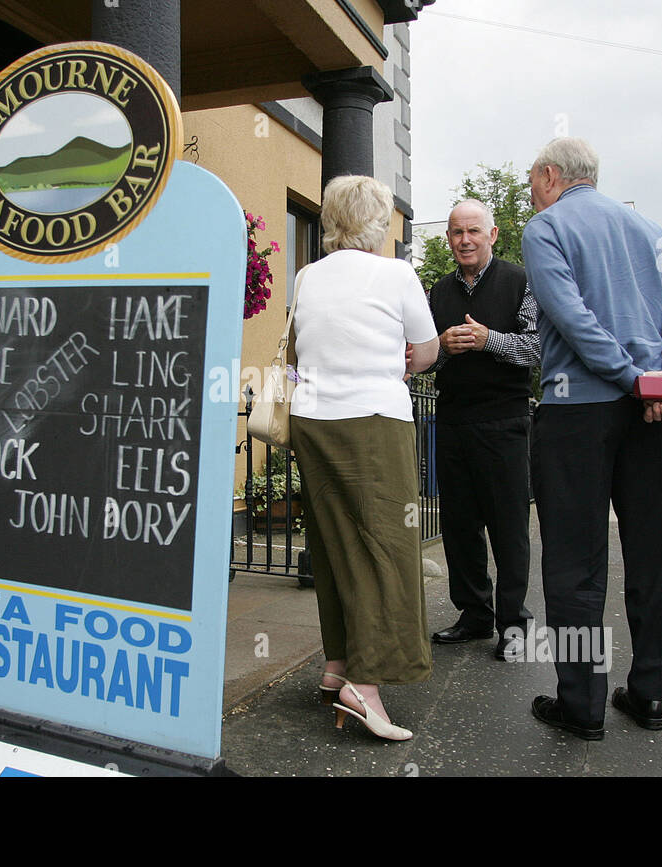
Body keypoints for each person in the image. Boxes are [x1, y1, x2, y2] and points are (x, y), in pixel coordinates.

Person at [520, 137, 662, 740]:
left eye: (531, 183)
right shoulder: (649, 228)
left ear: (550, 176)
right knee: (653, 555)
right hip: (651, 418)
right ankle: (649, 695)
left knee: (575, 565)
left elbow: (572, 319)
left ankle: (583, 706)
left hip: (577, 415)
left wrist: (631, 380)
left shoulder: (545, 228)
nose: (532, 193)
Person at [288, 174, 440, 741]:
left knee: (332, 545)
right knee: (384, 549)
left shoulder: (306, 277)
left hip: (313, 420)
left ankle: (337, 666)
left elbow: (302, 349)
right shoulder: (396, 274)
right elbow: (424, 351)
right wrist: (400, 362)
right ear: (378, 223)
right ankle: (366, 685)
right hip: (373, 422)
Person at [425, 200, 539, 660]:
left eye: (474, 231)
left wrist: (488, 339)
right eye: (456, 232)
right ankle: (473, 615)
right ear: (449, 238)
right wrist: (444, 347)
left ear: (493, 235)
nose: (465, 240)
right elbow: (419, 355)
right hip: (453, 421)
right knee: (459, 527)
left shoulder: (520, 281)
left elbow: (538, 349)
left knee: (509, 528)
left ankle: (514, 624)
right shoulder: (436, 291)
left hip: (505, 421)